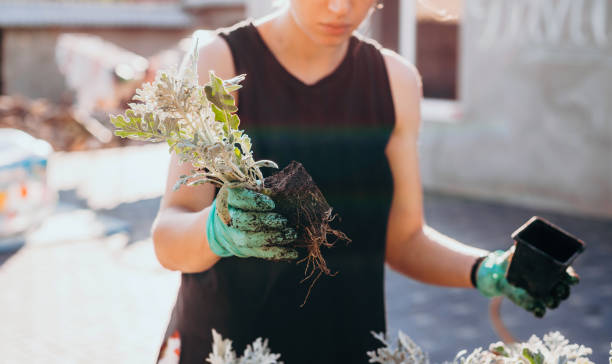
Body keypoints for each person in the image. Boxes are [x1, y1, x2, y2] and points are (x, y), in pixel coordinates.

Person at [151, 1, 578, 363]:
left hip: (346, 341)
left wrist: (486, 270)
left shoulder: (395, 81)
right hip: (228, 342)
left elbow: (405, 238)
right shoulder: (218, 61)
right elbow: (169, 236)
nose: (341, 8)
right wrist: (217, 230)